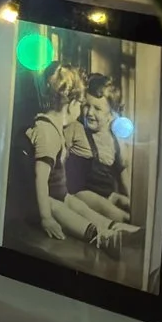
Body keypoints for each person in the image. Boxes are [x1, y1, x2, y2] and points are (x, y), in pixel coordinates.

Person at [23, 62, 128, 250]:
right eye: (82, 105)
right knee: (58, 206)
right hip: (42, 200)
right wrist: (46, 218)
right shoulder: (48, 132)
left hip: (60, 194)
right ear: (71, 104)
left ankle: (112, 226)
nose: (83, 112)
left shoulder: (56, 129)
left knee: (76, 205)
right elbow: (40, 178)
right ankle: (97, 235)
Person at [61, 71, 134, 232]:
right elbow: (60, 160)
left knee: (131, 208)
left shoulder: (115, 139)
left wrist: (130, 199)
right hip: (80, 195)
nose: (90, 113)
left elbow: (123, 174)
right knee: (120, 216)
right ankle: (124, 226)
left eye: (97, 108)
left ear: (111, 114)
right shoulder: (77, 129)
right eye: (86, 105)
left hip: (107, 196)